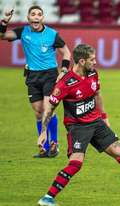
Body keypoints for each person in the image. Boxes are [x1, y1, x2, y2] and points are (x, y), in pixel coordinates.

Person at [37, 44, 120, 206]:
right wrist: (43, 132)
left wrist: (104, 117)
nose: (95, 62)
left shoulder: (93, 73)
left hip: (96, 122)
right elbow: (50, 107)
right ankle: (47, 197)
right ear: (81, 61)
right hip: (78, 127)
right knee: (76, 164)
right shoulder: (65, 84)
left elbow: (97, 95)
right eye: (92, 59)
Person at [0, 6, 71, 158]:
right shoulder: (23, 32)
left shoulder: (52, 34)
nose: (36, 17)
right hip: (32, 76)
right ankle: (44, 149)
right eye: (33, 14)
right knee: (38, 112)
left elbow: (66, 52)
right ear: (28, 18)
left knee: (47, 109)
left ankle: (53, 143)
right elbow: (2, 35)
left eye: (39, 14)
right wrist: (5, 19)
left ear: (42, 18)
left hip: (50, 75)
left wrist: (64, 70)